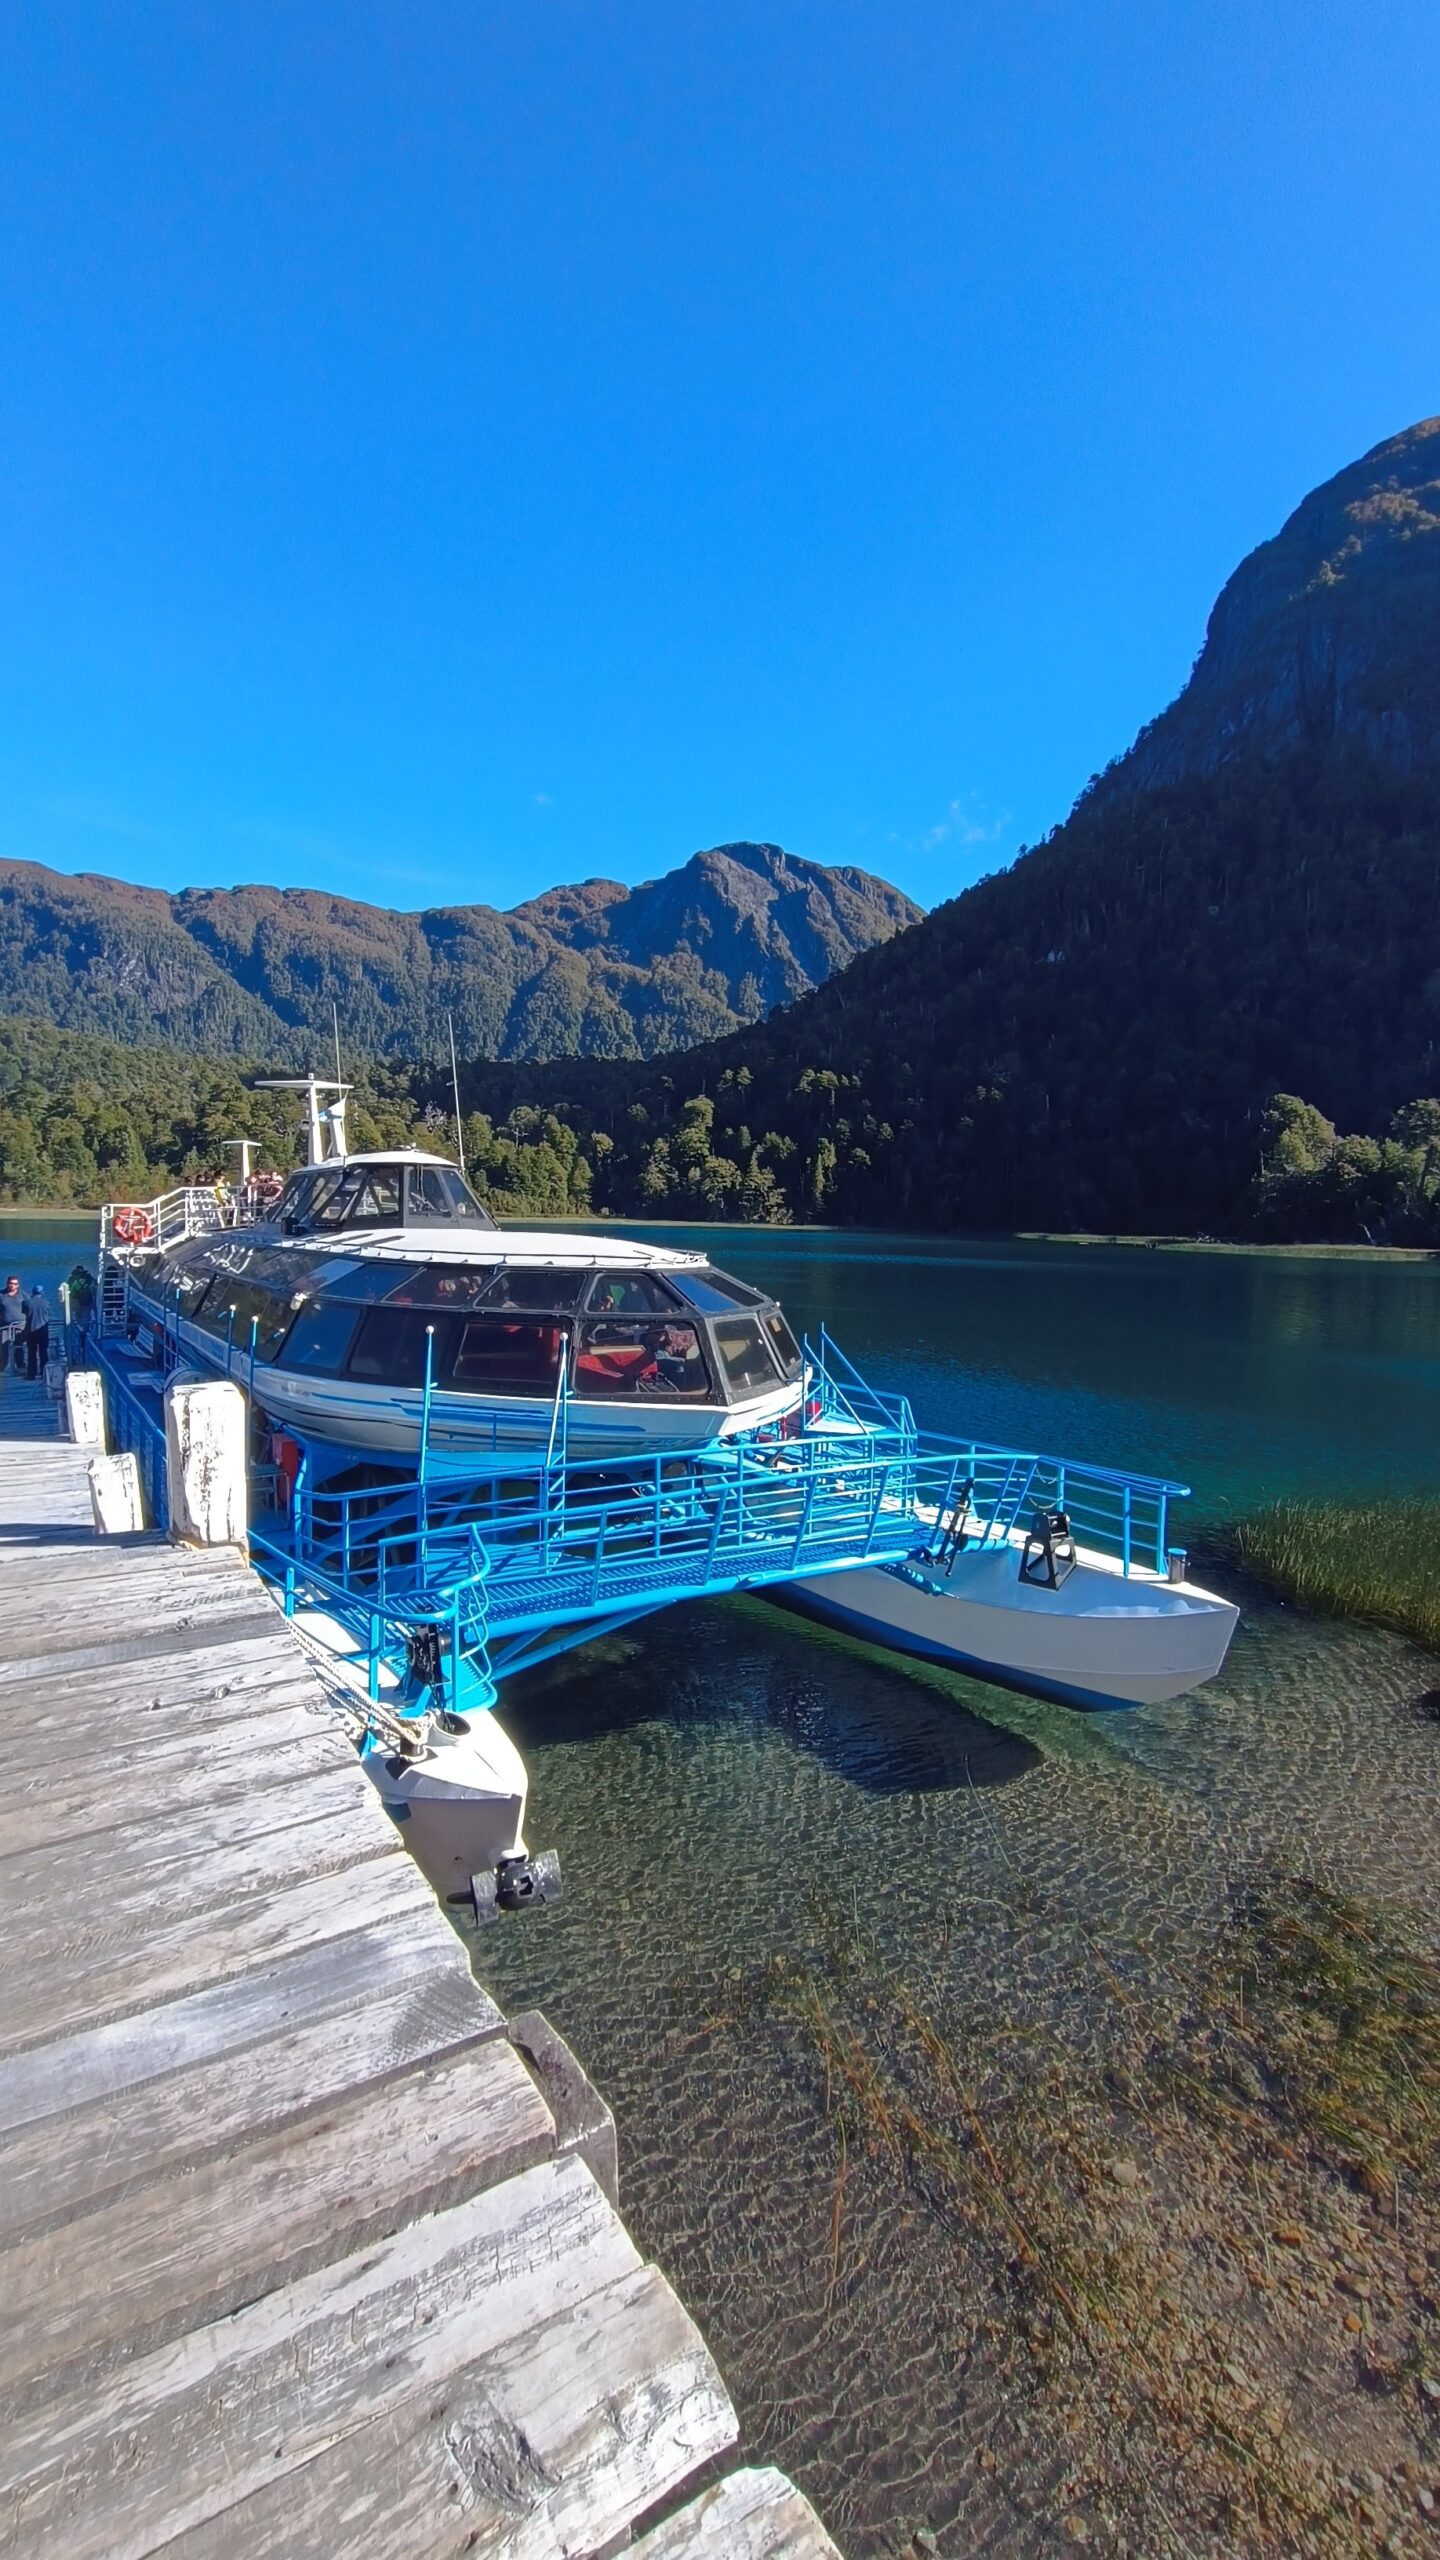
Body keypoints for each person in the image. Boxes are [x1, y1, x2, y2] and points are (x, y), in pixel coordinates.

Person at [23, 1279, 51, 1382]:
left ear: (32, 1292)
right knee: (43, 1352)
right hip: (43, 1331)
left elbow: (24, 1312)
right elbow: (48, 1313)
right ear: (42, 1292)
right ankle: (44, 1373)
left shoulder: (26, 1302)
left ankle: (31, 1374)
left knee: (31, 1353)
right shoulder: (46, 1302)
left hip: (30, 1330)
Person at [0, 1276, 23, 1374]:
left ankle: (20, 1364)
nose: (12, 1286)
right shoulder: (1, 1295)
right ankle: (2, 1366)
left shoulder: (22, 1295)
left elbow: (29, 1306)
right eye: (10, 1283)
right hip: (4, 1326)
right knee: (3, 1347)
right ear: (7, 1283)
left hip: (20, 1326)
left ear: (18, 1285)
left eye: (15, 1284)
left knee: (19, 1346)